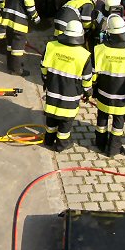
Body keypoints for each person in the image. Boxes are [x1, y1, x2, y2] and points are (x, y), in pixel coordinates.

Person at [92, 14, 125, 157]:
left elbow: (93, 75)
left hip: (103, 93)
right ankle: (113, 149)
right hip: (123, 96)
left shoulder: (99, 49)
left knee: (102, 118)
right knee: (118, 124)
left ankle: (100, 143)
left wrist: (93, 90)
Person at [40, 21, 93, 152]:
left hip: (53, 90)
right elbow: (86, 78)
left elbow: (43, 66)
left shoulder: (51, 46)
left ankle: (48, 140)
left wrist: (46, 80)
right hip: (71, 95)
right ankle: (61, 144)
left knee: (51, 116)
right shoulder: (84, 55)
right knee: (65, 121)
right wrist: (88, 92)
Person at [1, 0, 42, 76]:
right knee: (18, 44)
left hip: (7, 17)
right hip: (19, 19)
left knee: (10, 43)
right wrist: (35, 17)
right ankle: (16, 69)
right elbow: (28, 1)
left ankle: (11, 64)